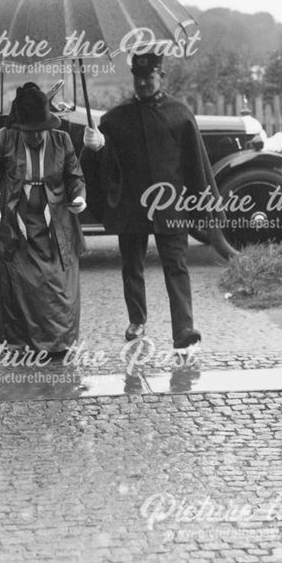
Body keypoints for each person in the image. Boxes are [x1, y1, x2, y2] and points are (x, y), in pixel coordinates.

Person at [80, 50, 217, 349]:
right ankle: (137, 320)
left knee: (176, 264)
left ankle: (184, 329)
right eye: (138, 78)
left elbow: (196, 164)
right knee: (132, 264)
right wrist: (95, 147)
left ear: (161, 76)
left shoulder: (180, 114)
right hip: (131, 205)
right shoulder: (115, 119)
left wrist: (202, 206)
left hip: (171, 205)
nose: (143, 83)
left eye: (149, 77)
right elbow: (103, 161)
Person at [0, 83, 87, 358]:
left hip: (57, 224)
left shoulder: (62, 140)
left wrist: (79, 196)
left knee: (59, 284)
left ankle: (59, 343)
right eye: (30, 131)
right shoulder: (3, 138)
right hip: (17, 222)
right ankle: (23, 344)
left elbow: (75, 176)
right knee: (21, 285)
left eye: (41, 130)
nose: (37, 136)